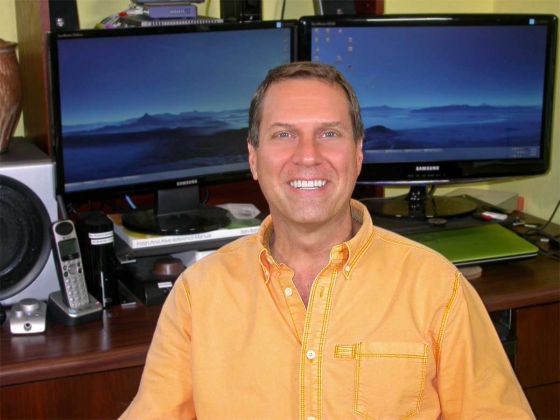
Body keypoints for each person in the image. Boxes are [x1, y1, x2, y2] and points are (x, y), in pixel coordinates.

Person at [121, 62, 534, 419]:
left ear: (358, 154)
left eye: (330, 134)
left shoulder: (437, 289)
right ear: (253, 158)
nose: (308, 155)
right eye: (284, 134)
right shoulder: (197, 295)